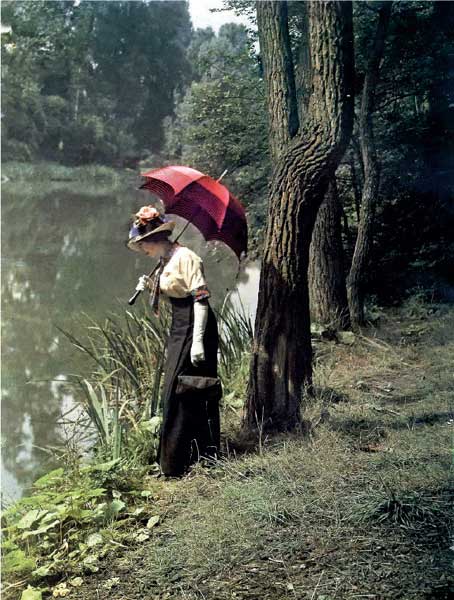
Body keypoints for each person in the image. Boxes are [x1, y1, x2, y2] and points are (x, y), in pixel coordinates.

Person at [127, 205, 221, 476]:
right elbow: (173, 290)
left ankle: (188, 459)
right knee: (176, 389)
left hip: (195, 324)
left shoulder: (186, 258)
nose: (142, 249)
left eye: (143, 244)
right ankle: (177, 460)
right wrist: (150, 285)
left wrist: (199, 343)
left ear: (155, 239)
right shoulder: (166, 259)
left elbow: (201, 300)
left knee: (189, 388)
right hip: (180, 324)